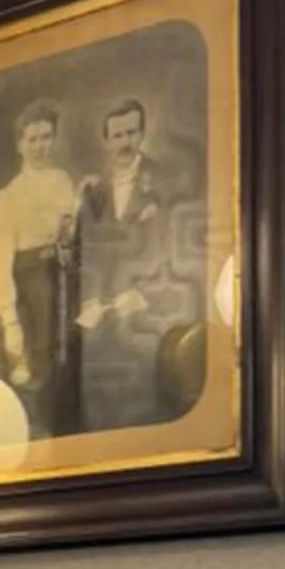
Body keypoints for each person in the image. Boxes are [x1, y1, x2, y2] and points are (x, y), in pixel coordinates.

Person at [74, 97, 199, 430]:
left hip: (148, 322)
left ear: (142, 134)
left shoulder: (166, 180)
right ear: (106, 141)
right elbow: (87, 253)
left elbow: (185, 256)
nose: (125, 142)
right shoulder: (94, 190)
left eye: (131, 133)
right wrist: (89, 300)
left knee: (144, 412)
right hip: (99, 327)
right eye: (117, 135)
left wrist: (145, 295)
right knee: (98, 415)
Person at [0, 101, 80, 433]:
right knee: (34, 368)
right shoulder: (7, 197)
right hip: (30, 291)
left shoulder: (63, 181)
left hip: (64, 284)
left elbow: (71, 232)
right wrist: (10, 320)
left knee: (69, 362)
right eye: (32, 139)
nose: (40, 146)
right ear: (20, 145)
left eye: (46, 137)